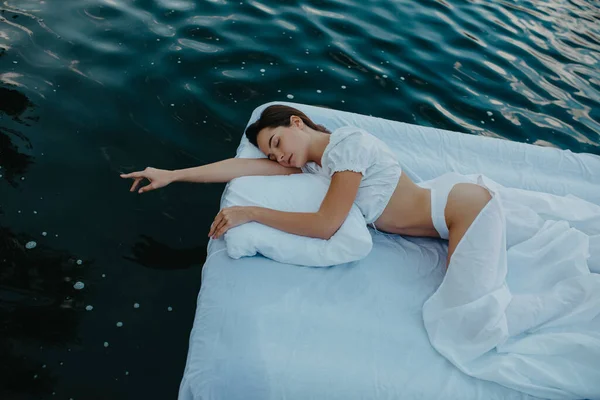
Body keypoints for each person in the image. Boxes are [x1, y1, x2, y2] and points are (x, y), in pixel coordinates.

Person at [120, 105, 492, 267]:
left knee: (462, 318)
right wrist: (173, 174)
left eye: (278, 143)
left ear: (297, 123)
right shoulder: (315, 167)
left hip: (463, 209)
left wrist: (249, 213)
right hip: (445, 223)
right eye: (272, 155)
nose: (278, 158)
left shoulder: (347, 147)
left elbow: (325, 225)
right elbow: (237, 166)